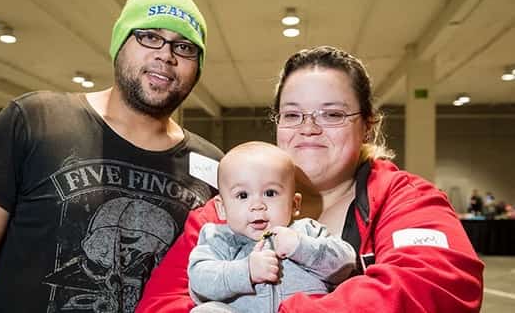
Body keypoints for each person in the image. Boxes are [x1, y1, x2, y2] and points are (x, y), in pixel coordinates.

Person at [136, 45, 484, 312]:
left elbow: (436, 286)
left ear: (367, 126)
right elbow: (161, 302)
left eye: (332, 114)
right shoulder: (225, 213)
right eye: (293, 114)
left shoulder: (404, 199)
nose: (308, 129)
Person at [0, 0, 223, 312]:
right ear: (119, 44)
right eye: (150, 37)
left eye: (184, 47)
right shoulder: (36, 119)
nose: (166, 55)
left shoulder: (214, 167)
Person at [188, 141, 356, 312]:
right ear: (222, 209)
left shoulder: (307, 230)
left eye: (270, 193)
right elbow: (199, 281)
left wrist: (301, 247)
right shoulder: (219, 238)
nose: (257, 205)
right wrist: (246, 271)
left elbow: (345, 264)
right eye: (242, 195)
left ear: (294, 204)